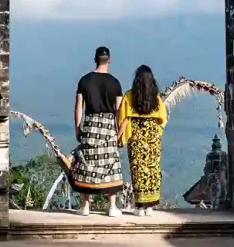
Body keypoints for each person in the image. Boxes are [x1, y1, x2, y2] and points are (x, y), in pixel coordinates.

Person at [69, 46, 124, 217]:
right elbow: (119, 111)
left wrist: (78, 127)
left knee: (87, 162)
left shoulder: (84, 81)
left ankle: (85, 206)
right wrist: (119, 133)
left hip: (90, 123)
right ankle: (112, 206)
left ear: (95, 59)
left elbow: (79, 106)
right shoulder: (115, 83)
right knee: (110, 162)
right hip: (108, 126)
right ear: (109, 60)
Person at [117, 65, 167, 215]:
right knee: (152, 170)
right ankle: (150, 206)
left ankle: (140, 206)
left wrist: (118, 137)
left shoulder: (129, 96)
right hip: (152, 136)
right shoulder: (156, 98)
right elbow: (162, 119)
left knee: (138, 170)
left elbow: (123, 119)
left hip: (136, 135)